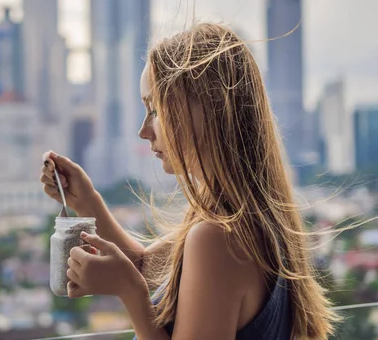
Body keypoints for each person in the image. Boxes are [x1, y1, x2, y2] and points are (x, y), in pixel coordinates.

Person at [40, 23, 338, 339]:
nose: (143, 131)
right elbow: (149, 270)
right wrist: (87, 202)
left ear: (205, 111)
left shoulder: (217, 237)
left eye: (155, 109)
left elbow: (139, 280)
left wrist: (130, 294)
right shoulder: (242, 216)